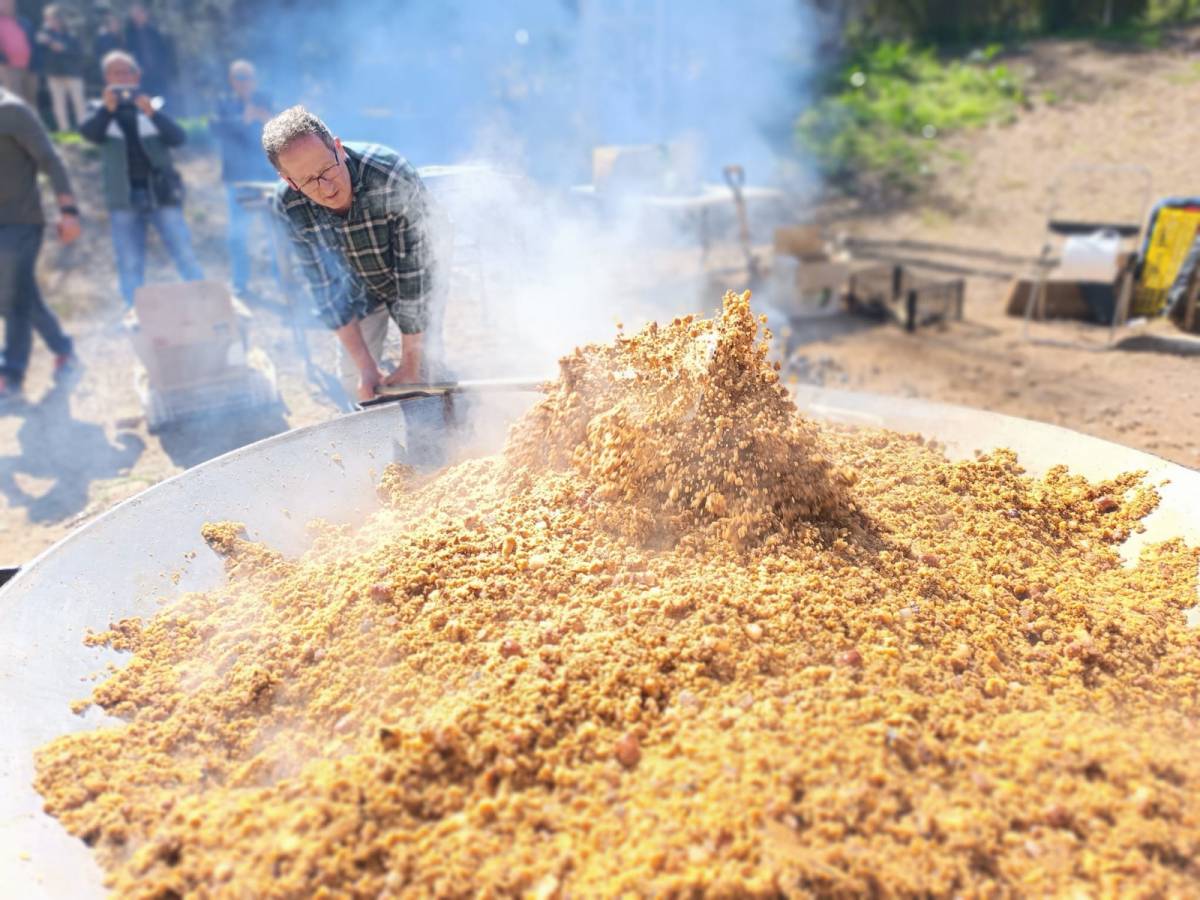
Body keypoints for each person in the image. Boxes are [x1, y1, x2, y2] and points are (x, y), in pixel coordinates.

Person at [263, 106, 440, 403]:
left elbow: (416, 274)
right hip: (357, 290)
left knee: (426, 372)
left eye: (326, 169)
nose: (326, 187)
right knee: (356, 383)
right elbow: (326, 289)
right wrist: (366, 368)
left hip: (410, 275)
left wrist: (410, 363)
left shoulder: (389, 176)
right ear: (290, 182)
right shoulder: (288, 207)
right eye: (308, 181)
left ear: (338, 148)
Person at [80, 50, 203, 308]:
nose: (123, 78)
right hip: (123, 198)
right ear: (106, 78)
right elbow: (89, 134)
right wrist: (107, 110)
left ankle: (203, 302)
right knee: (129, 261)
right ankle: (134, 313)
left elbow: (178, 138)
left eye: (128, 72)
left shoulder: (154, 105)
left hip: (162, 193)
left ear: (137, 76)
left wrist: (153, 114)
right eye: (117, 73)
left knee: (183, 252)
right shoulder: (98, 110)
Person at [0, 84, 81, 403]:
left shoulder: (12, 111)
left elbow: (50, 160)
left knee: (12, 296)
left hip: (22, 220)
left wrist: (69, 211)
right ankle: (63, 349)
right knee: (20, 293)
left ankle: (11, 375)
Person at [211, 60, 276, 298]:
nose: (244, 82)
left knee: (275, 234)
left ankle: (283, 281)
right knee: (238, 235)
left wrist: (267, 118)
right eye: (238, 77)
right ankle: (240, 283)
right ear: (231, 81)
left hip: (267, 177)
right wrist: (243, 120)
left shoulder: (266, 100)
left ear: (255, 80)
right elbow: (216, 130)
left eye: (247, 77)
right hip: (237, 179)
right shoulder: (223, 104)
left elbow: (282, 132)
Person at [35, 5, 86, 132]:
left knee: (79, 103)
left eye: (51, 18)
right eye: (47, 18)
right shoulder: (43, 35)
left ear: (59, 19)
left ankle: (85, 130)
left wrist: (64, 49)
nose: (49, 21)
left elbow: (79, 52)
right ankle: (64, 130)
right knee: (58, 104)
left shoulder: (72, 33)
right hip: (54, 74)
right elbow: (37, 53)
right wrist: (43, 42)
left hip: (73, 73)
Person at [122, 4, 174, 104]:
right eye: (136, 14)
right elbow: (128, 54)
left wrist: (164, 68)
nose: (139, 16)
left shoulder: (154, 31)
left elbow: (163, 51)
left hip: (158, 73)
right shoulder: (130, 34)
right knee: (145, 100)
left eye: (140, 13)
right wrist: (136, 68)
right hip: (142, 75)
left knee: (163, 99)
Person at [0, 0, 36, 105]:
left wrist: (34, 62)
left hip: (28, 66)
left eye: (9, 3)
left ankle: (32, 121)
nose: (6, 5)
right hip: (7, 67)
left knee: (31, 99)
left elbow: (31, 42)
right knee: (15, 100)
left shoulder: (24, 21)